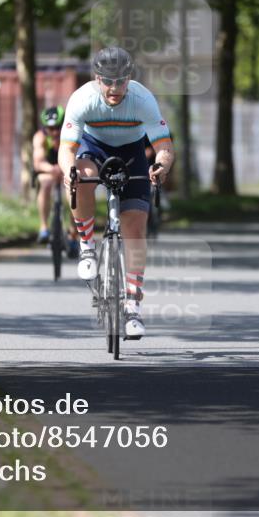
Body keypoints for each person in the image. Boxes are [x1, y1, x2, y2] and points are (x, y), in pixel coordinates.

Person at [58, 47, 175, 339]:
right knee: (81, 177)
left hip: (132, 152)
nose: (114, 88)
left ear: (129, 78)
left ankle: (133, 306)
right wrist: (68, 171)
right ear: (97, 79)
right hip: (93, 147)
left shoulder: (142, 99)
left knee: (135, 227)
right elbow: (66, 148)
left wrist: (161, 166)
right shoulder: (82, 99)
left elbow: (163, 146)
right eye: (107, 81)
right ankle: (86, 245)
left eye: (120, 81)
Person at [33, 106, 79, 258]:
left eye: (57, 128)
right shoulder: (40, 137)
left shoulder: (71, 135)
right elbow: (38, 162)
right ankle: (44, 227)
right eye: (50, 128)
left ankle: (73, 233)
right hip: (49, 170)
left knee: (74, 190)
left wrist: (66, 170)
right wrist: (52, 169)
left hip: (67, 169)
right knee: (45, 184)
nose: (54, 132)